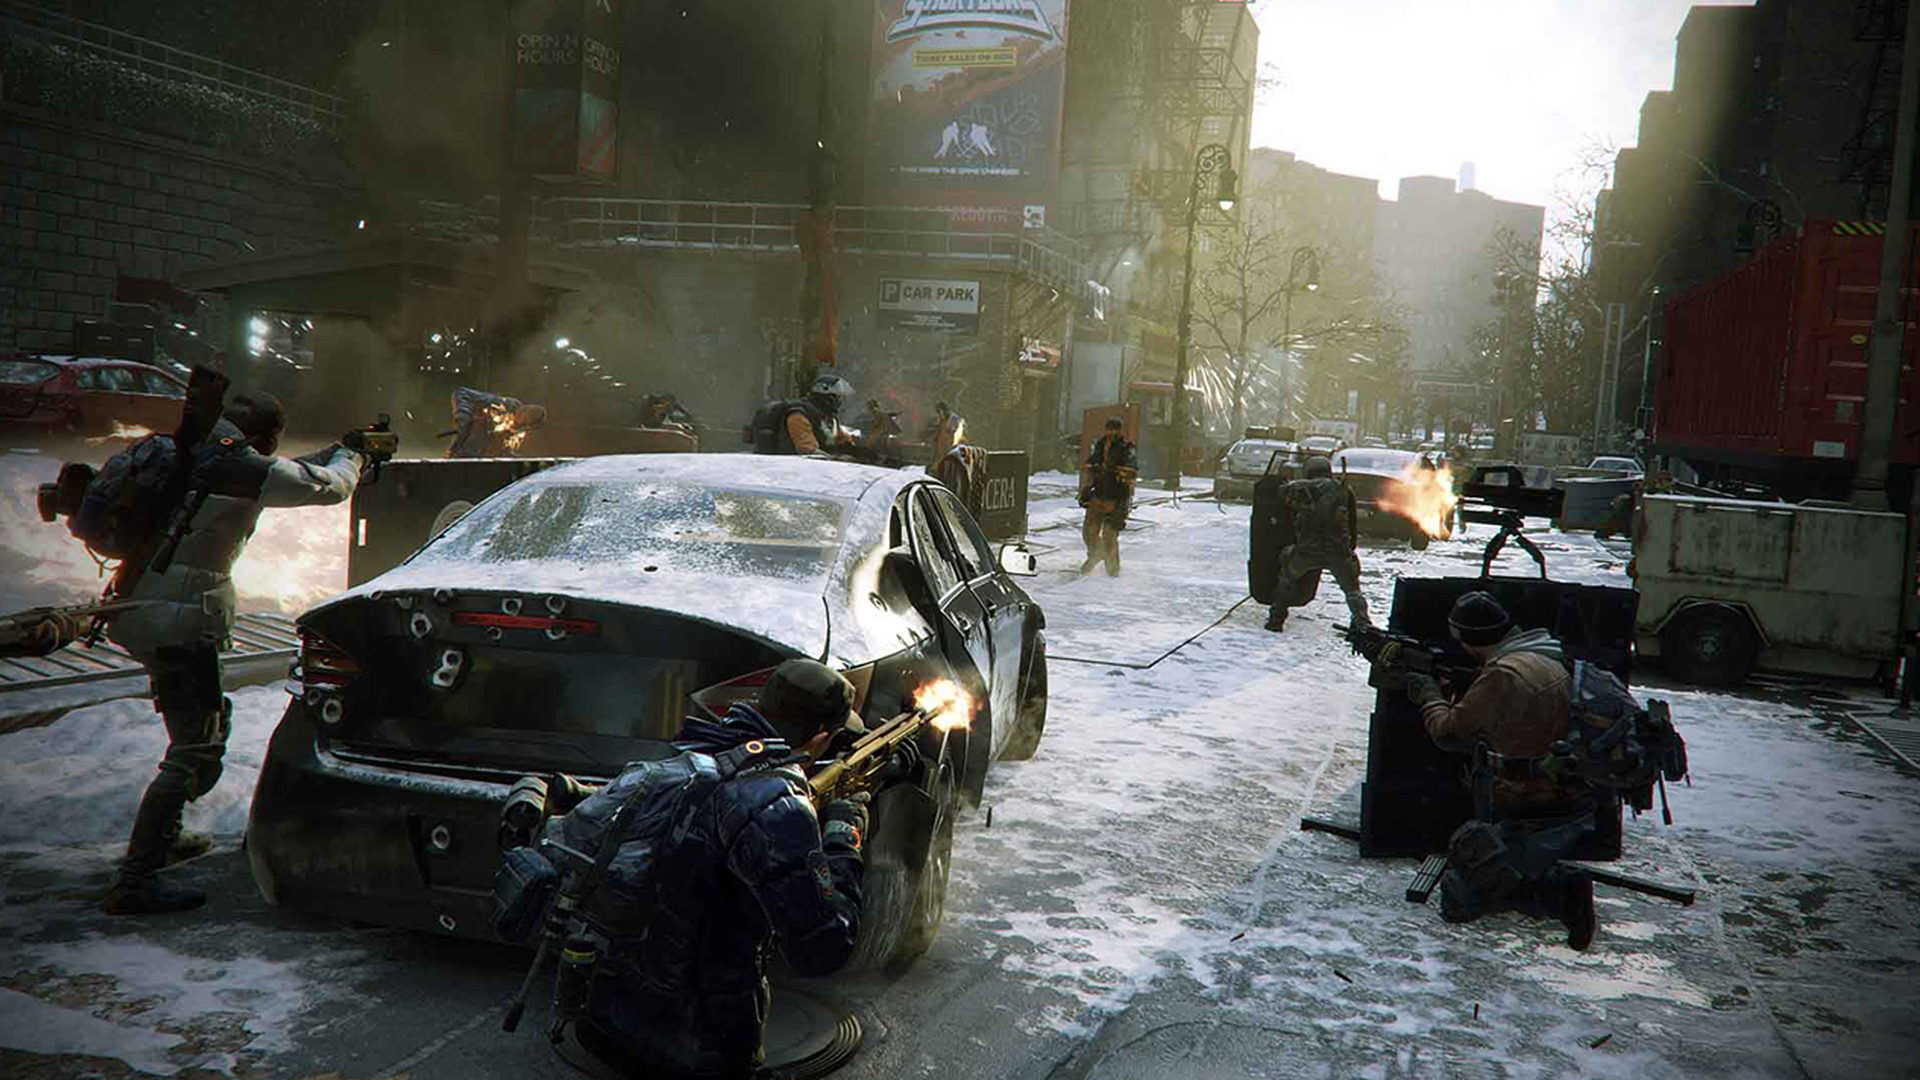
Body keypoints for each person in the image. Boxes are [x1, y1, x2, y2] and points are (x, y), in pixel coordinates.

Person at [543, 659, 872, 1080]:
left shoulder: (691, 756)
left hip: (609, 1018)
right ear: (821, 736)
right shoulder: (778, 806)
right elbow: (824, 948)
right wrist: (844, 836)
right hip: (699, 1046)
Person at [103, 392, 367, 914]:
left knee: (197, 730)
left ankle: (164, 841)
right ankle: (135, 879)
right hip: (180, 623)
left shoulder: (203, 454)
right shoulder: (241, 469)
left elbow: (284, 472)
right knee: (196, 749)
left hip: (143, 607)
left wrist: (336, 449)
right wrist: (353, 459)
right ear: (265, 436)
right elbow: (328, 487)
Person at [1401, 591, 1598, 950]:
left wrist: (1429, 695)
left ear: (1468, 637)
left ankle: (1559, 891)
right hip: (1565, 785)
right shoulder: (1544, 655)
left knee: (1458, 901)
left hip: (1525, 792)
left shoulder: (1503, 675)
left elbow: (1448, 734)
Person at [1266, 454, 1370, 632]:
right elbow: (1351, 522)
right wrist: (1349, 548)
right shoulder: (1343, 488)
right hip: (1337, 551)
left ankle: (1276, 621)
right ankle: (1363, 623)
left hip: (1307, 550)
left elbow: (1279, 492)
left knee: (1286, 580)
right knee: (1352, 591)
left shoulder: (1298, 487)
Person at [1079, 417, 1137, 576]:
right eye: (1109, 429)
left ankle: (1113, 571)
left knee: (1109, 535)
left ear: (1120, 431)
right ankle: (1097, 554)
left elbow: (1131, 468)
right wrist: (1091, 468)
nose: (1112, 433)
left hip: (1117, 496)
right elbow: (1090, 463)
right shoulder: (1100, 445)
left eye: (1115, 429)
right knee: (1089, 532)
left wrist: (1118, 471)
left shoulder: (1127, 447)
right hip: (1099, 493)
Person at [446, 386, 546, 458]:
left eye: (526, 427)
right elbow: (461, 392)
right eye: (523, 423)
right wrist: (463, 416)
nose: (521, 428)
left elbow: (501, 451)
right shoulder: (501, 405)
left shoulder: (516, 435)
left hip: (474, 463)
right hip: (460, 455)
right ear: (523, 412)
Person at [928, 401, 963, 466]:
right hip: (941, 451)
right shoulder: (941, 420)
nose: (938, 414)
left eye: (939, 412)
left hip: (950, 450)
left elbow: (954, 434)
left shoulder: (954, 420)